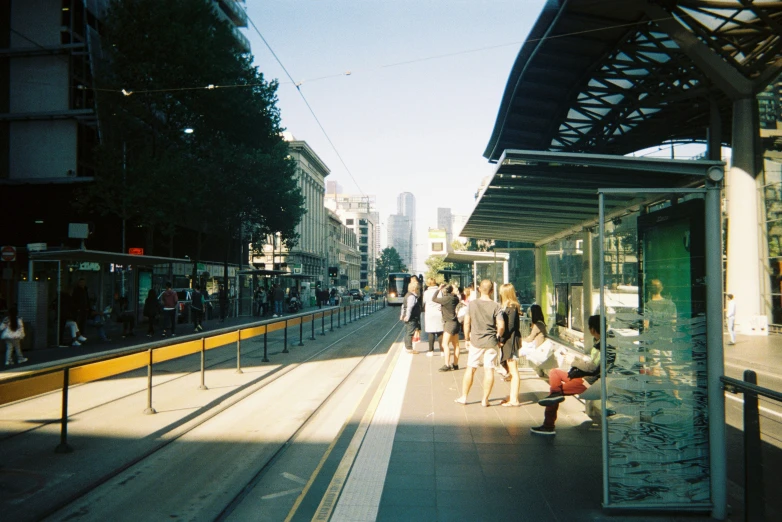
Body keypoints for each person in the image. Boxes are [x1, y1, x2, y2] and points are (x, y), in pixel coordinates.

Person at [531, 315, 612, 436]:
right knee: (555, 373)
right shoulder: (600, 342)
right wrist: (577, 359)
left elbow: (592, 367)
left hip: (587, 380)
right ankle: (555, 395)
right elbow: (593, 363)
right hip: (581, 375)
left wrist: (572, 361)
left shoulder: (602, 345)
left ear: (592, 329)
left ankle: (548, 425)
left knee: (553, 396)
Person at [455, 279, 504, 407]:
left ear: (479, 289)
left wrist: (466, 339)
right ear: (492, 291)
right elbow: (501, 325)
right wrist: (498, 336)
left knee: (471, 368)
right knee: (489, 370)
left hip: (475, 341)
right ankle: (485, 400)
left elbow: (466, 323)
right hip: (491, 342)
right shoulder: (496, 306)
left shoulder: (472, 304)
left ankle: (464, 397)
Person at [498, 283, 522, 406]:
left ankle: (514, 399)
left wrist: (501, 339)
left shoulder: (511, 307)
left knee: (513, 370)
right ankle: (513, 397)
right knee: (512, 369)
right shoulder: (512, 306)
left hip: (511, 340)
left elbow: (510, 326)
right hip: (510, 340)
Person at [433, 283, 461, 371]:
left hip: (449, 323)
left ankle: (447, 365)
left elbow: (433, 299)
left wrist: (438, 289)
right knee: (456, 344)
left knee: (445, 344)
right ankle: (455, 364)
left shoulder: (446, 298)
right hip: (455, 322)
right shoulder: (455, 299)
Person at [422, 278, 443, 357]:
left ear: (428, 284)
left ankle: (431, 351)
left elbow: (424, 302)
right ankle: (442, 351)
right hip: (438, 313)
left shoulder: (426, 292)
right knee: (440, 332)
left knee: (431, 332)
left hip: (430, 314)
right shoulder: (439, 291)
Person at [400, 278, 421, 354]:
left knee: (408, 332)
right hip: (412, 318)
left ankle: (408, 347)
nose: (418, 290)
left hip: (409, 317)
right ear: (414, 289)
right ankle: (409, 348)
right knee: (410, 332)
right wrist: (407, 317)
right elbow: (409, 307)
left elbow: (403, 306)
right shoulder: (412, 296)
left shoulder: (407, 295)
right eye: (418, 288)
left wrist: (402, 314)